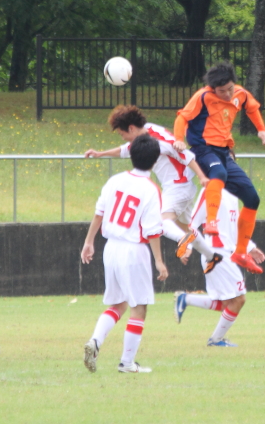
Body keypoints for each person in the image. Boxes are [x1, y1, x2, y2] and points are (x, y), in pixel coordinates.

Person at [85, 105, 222, 272]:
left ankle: (184, 240)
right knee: (186, 228)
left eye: (122, 134)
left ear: (131, 128)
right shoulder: (144, 136)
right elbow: (126, 151)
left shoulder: (158, 138)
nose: (123, 138)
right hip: (179, 188)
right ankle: (211, 256)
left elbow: (185, 154)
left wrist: (202, 176)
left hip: (178, 187)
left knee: (162, 222)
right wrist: (100, 154)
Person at [81, 134, 168, 374]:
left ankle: (95, 341)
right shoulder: (151, 189)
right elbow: (152, 231)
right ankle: (127, 363)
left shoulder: (115, 180)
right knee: (138, 306)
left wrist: (89, 242)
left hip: (111, 248)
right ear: (156, 160)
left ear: (131, 155)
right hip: (134, 251)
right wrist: (159, 261)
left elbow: (99, 212)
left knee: (118, 303)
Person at [172, 61, 265, 275]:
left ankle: (242, 252)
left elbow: (252, 109)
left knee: (253, 198)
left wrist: (261, 130)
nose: (227, 94)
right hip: (203, 149)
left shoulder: (241, 93)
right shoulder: (203, 97)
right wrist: (179, 139)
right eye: (221, 91)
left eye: (229, 89)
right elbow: (182, 117)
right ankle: (211, 221)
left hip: (224, 152)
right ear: (212, 89)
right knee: (219, 174)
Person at [174, 188, 265, 347]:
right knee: (239, 299)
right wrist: (188, 246)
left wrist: (249, 246)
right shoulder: (209, 189)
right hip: (216, 254)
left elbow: (234, 226)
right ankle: (215, 340)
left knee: (227, 302)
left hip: (226, 253)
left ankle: (186, 299)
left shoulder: (233, 192)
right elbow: (192, 223)